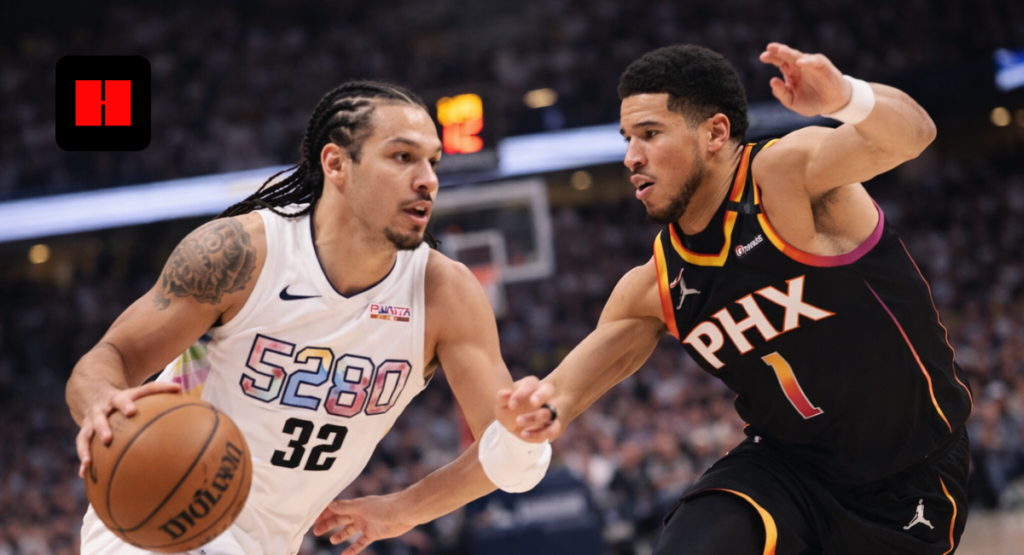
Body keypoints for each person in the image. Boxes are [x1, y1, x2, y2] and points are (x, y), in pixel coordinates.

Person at [507, 43, 974, 554]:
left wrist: (847, 99)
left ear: (715, 133)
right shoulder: (653, 287)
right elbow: (560, 395)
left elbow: (914, 134)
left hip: (911, 472)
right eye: (627, 139)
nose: (630, 157)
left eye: (649, 134)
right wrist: (534, 411)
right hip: (784, 470)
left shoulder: (786, 177)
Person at [66, 81, 555, 555]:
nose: (427, 177)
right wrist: (102, 404)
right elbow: (109, 357)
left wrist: (405, 508)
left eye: (433, 161)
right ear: (336, 163)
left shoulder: (445, 293)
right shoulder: (242, 253)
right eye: (403, 157)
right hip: (156, 517)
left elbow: (513, 465)